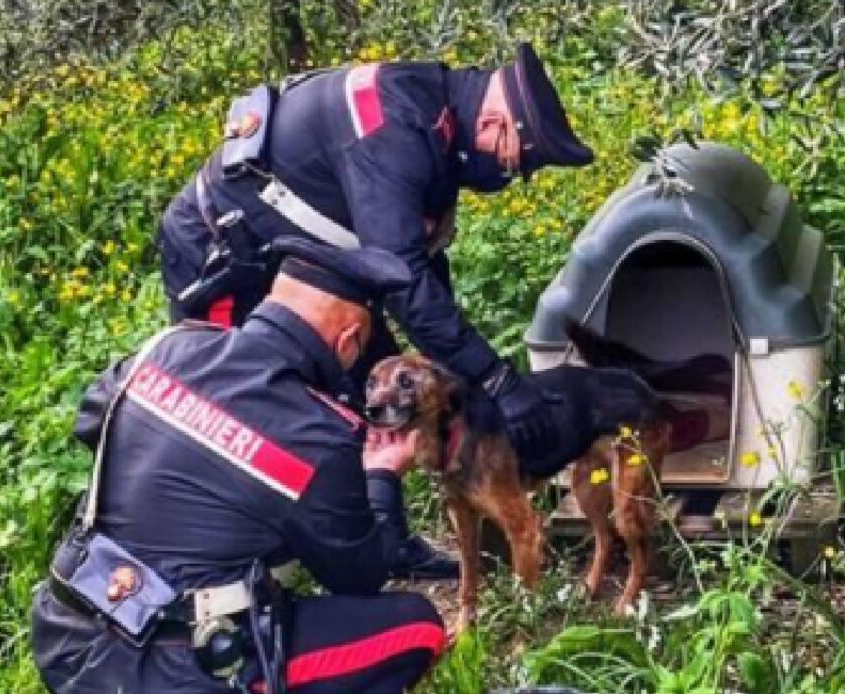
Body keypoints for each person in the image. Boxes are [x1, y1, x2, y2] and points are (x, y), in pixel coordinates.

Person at [155, 42, 595, 579]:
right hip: (222, 257)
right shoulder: (394, 133)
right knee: (244, 407)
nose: (509, 179)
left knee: (379, 384)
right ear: (500, 124)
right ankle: (242, 569)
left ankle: (380, 544)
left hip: (305, 258)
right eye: (515, 164)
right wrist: (499, 380)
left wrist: (477, 378)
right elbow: (406, 281)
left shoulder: (437, 123)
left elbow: (421, 268)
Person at [32, 237, 446, 694]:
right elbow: (361, 577)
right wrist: (380, 475)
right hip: (176, 692)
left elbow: (92, 421)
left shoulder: (166, 347)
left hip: (63, 644)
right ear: (348, 341)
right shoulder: (314, 432)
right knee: (419, 627)